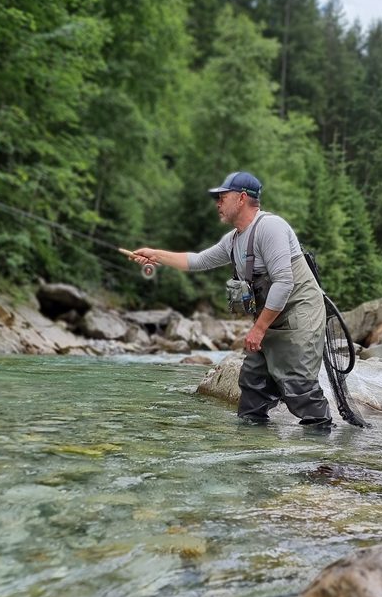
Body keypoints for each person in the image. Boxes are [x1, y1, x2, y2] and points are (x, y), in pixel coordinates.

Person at [129, 171, 333, 429]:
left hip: (300, 315)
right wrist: (155, 254)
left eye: (222, 197)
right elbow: (198, 261)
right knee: (252, 383)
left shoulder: (271, 227)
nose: (217, 203)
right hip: (271, 318)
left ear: (242, 198)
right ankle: (250, 452)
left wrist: (258, 330)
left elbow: (284, 283)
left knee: (299, 386)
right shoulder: (234, 239)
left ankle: (323, 451)